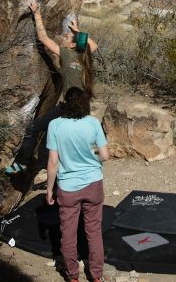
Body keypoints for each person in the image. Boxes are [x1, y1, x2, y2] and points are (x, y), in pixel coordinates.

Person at [4, 1, 98, 175]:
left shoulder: (68, 55)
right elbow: (94, 46)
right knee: (56, 137)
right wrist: (77, 32)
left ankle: (22, 163)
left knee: (34, 128)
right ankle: (49, 168)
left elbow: (43, 38)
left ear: (71, 45)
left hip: (69, 107)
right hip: (83, 108)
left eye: (66, 37)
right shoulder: (85, 59)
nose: (63, 38)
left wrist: (37, 14)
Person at [46, 87, 110, 282]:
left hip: (68, 187)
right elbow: (105, 156)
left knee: (68, 234)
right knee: (93, 231)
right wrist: (92, 157)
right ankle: (96, 276)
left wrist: (49, 190)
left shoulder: (55, 125)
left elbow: (53, 162)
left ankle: (73, 276)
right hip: (93, 184)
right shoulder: (92, 123)